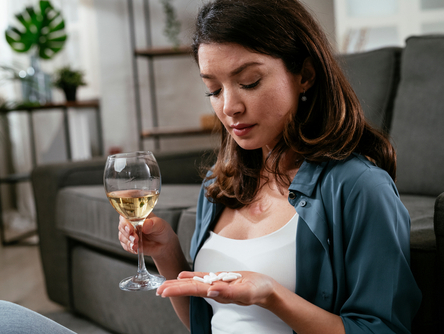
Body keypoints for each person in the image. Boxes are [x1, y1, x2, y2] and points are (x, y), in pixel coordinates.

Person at [117, 0, 422, 333]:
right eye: (214, 90)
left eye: (248, 82)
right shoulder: (219, 185)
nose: (229, 107)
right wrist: (167, 252)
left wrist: (273, 296)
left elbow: (384, 329)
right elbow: (211, 322)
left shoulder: (360, 188)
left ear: (304, 75)